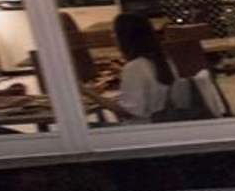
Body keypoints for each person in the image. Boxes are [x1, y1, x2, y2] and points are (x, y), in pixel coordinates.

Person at [90, 13, 224, 123]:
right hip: (166, 121)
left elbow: (128, 112)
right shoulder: (163, 60)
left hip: (143, 129)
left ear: (126, 37)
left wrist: (88, 92)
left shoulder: (134, 68)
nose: (112, 37)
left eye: (114, 33)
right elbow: (153, 87)